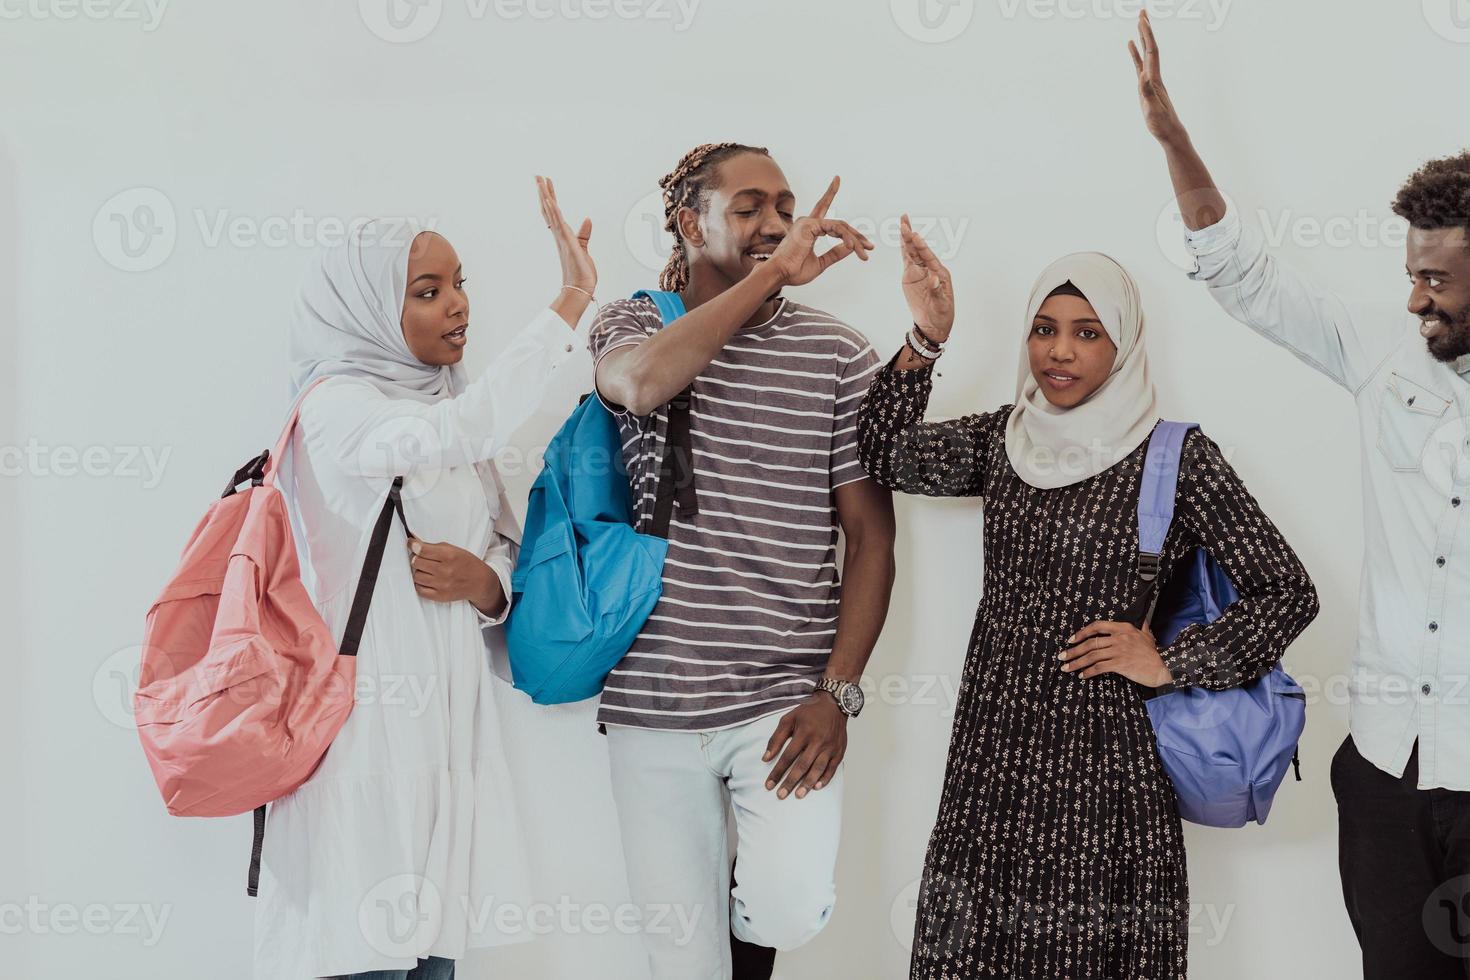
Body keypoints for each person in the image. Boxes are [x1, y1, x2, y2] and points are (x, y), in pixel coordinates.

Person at [857, 220, 1320, 978]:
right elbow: (884, 451)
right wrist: (927, 338)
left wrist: (1173, 661)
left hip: (1105, 759)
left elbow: (1288, 591)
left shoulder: (1175, 457)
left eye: (1086, 332)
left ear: (1124, 344)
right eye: (1044, 329)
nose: (1059, 351)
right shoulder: (1005, 441)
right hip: (996, 746)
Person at [1128, 11, 1470, 975]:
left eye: (1436, 283)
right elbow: (1248, 280)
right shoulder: (1384, 354)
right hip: (1389, 775)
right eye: (1410, 277)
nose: (1413, 302)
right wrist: (1175, 141)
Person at [251, 179, 592, 980]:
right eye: (428, 291)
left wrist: (485, 583)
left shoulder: (447, 397)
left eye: (461, 283)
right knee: (363, 951)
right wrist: (572, 299)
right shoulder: (335, 408)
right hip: (358, 744)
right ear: (367, 308)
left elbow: (505, 541)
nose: (458, 307)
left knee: (432, 958)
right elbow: (452, 434)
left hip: (447, 738)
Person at [587, 142, 896, 979]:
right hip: (654, 693)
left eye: (786, 209)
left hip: (782, 698)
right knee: (682, 962)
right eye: (751, 207)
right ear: (691, 223)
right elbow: (643, 385)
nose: (776, 226)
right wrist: (769, 278)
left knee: (790, 904)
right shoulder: (632, 322)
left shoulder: (840, 354)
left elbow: (870, 538)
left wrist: (838, 691)